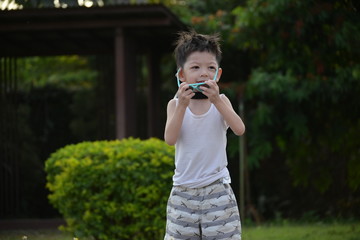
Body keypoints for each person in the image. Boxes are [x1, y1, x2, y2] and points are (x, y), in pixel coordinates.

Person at [164, 30, 245, 240]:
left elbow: (239, 129)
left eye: (211, 68)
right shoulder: (174, 104)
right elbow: (170, 139)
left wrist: (217, 101)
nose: (204, 73)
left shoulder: (222, 102)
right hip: (183, 191)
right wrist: (182, 105)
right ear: (182, 75)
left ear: (218, 74)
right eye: (196, 67)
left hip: (217, 188)